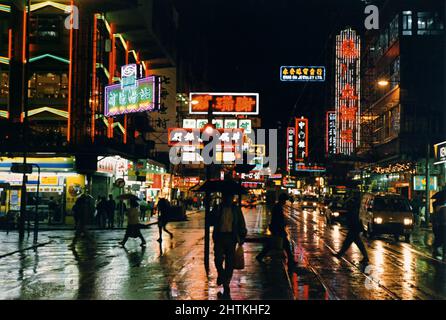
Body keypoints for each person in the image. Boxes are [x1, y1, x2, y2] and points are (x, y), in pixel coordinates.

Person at [210, 192, 247, 299]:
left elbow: (241, 223)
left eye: (229, 197)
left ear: (232, 198)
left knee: (230, 262)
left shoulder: (236, 209)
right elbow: (211, 221)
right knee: (218, 259)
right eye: (226, 197)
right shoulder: (218, 208)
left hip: (231, 238)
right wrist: (213, 211)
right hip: (219, 237)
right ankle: (221, 274)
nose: (227, 199)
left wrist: (242, 236)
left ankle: (226, 282)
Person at [256, 193, 297, 270]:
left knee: (274, 244)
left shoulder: (278, 206)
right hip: (278, 229)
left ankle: (260, 256)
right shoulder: (277, 207)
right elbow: (277, 220)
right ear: (282, 200)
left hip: (277, 229)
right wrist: (280, 227)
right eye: (285, 200)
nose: (285, 202)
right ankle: (291, 261)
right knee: (285, 245)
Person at [334, 193, 369, 264]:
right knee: (356, 242)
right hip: (354, 226)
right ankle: (365, 257)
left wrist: (350, 198)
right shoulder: (355, 204)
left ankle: (340, 254)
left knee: (349, 242)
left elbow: (346, 206)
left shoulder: (355, 205)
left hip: (354, 226)